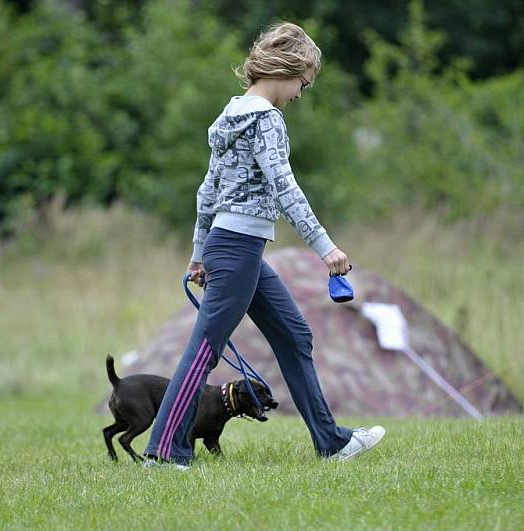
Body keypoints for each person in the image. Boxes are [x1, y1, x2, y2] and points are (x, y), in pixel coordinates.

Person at [143, 21, 385, 470]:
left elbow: (207, 191)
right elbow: (284, 186)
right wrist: (325, 247)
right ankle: (163, 450)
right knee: (204, 350)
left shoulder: (229, 115)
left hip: (233, 246)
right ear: (286, 69)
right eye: (303, 83)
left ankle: (331, 442)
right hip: (236, 248)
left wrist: (199, 252)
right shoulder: (267, 119)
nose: (299, 94)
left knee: (294, 335)